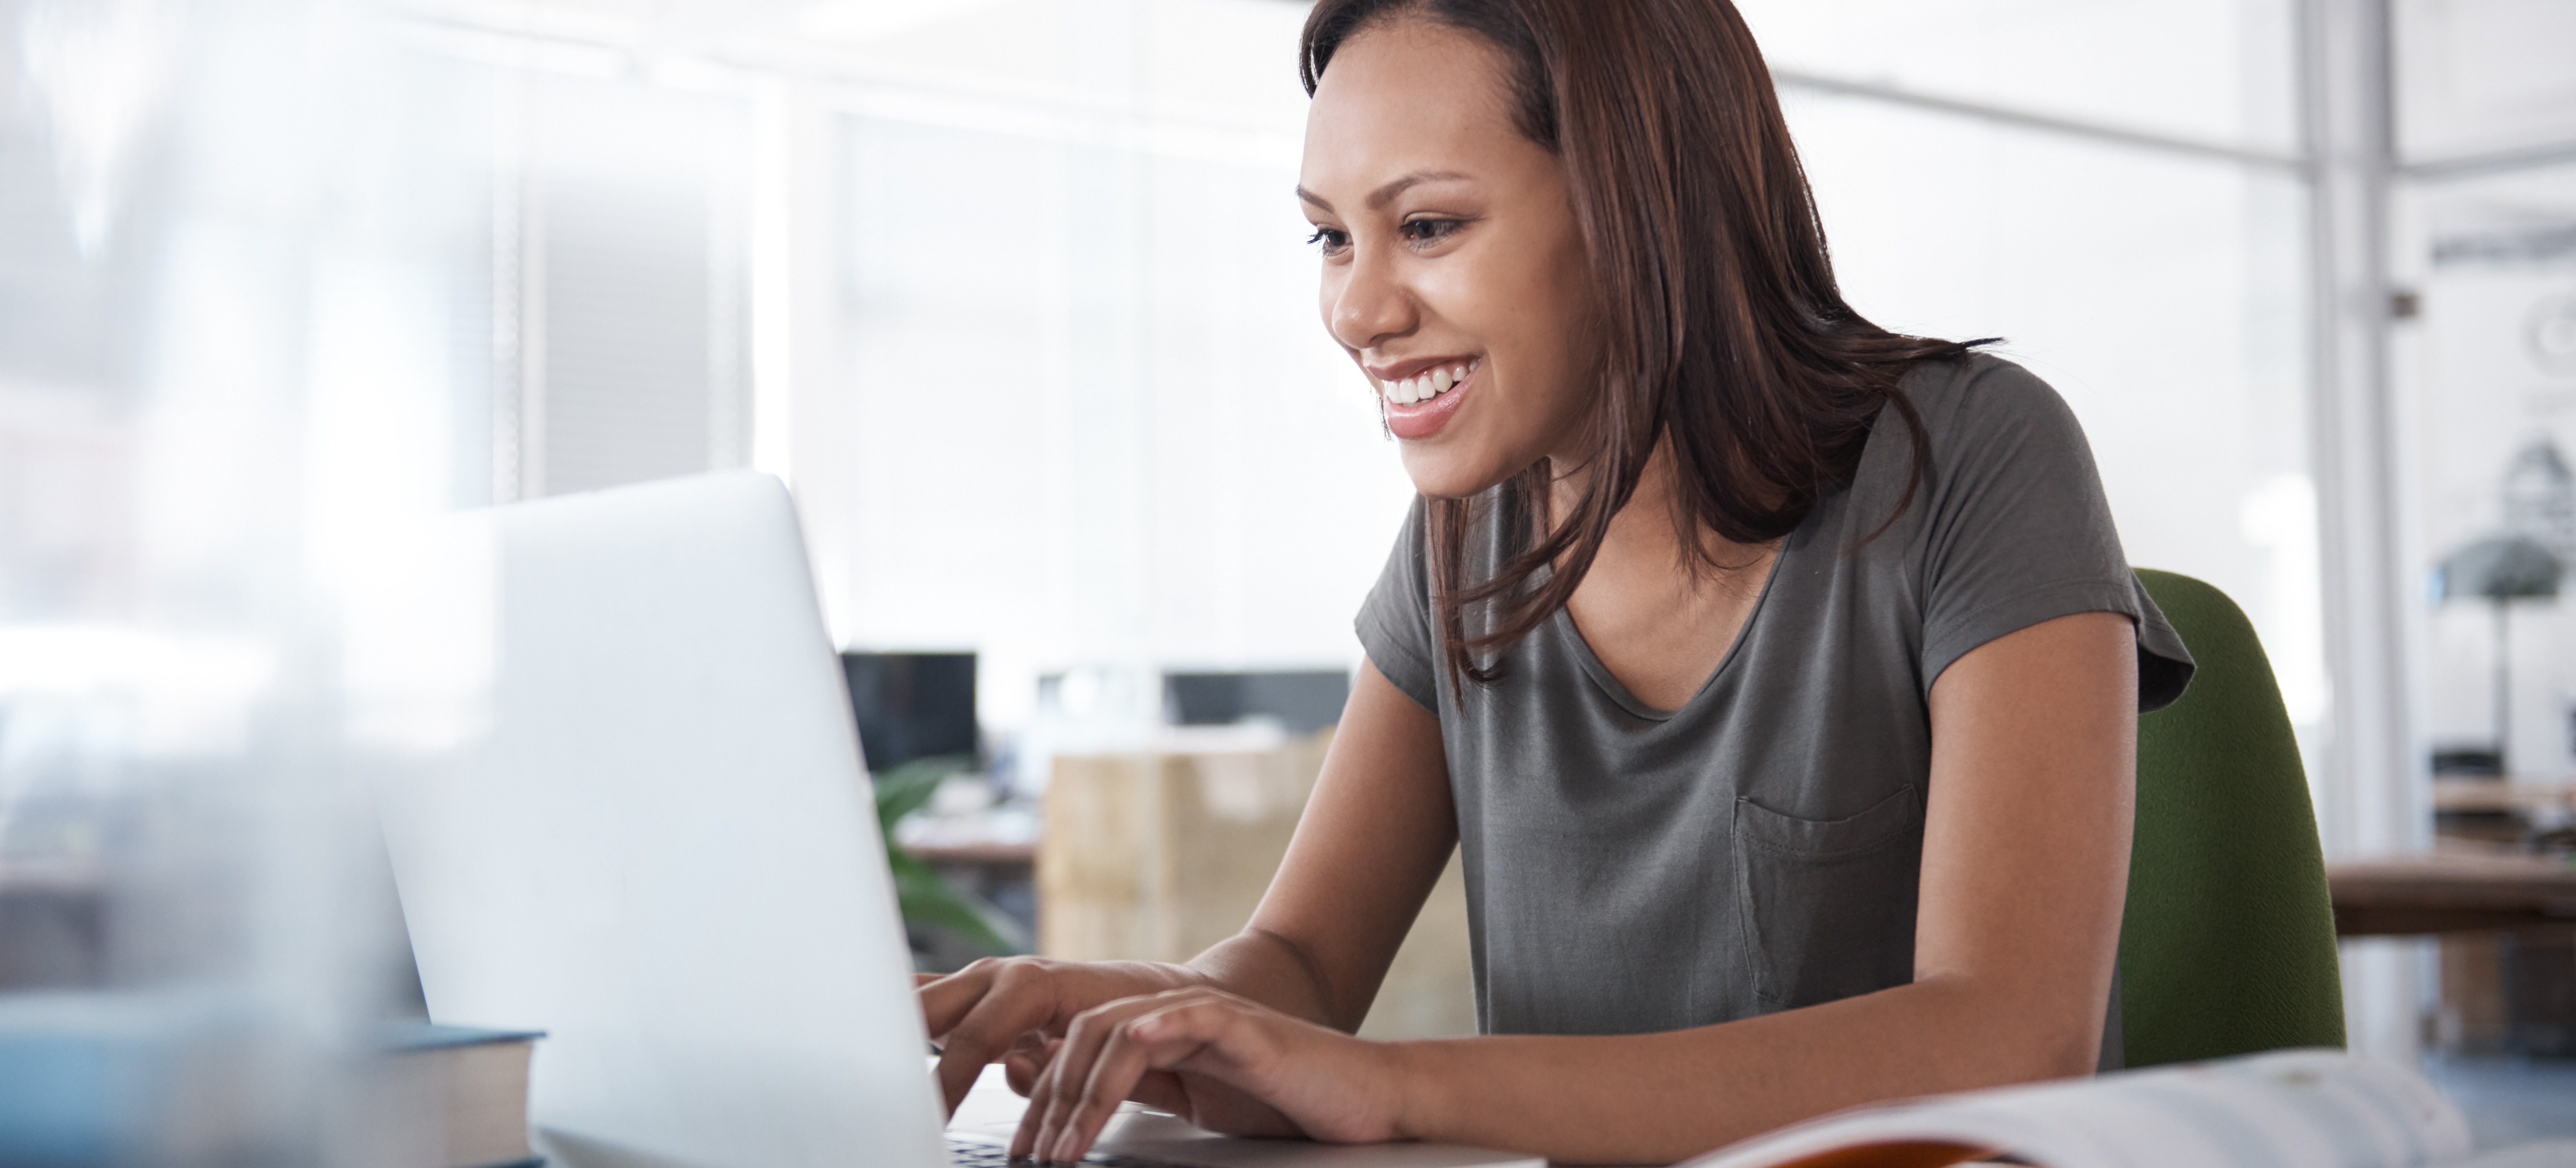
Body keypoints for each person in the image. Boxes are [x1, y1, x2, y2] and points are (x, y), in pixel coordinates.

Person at [918, 1, 2195, 1163]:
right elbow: (1304, 963)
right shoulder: (1461, 538)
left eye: (1427, 226)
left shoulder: (1972, 456)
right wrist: (1143, 1013)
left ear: (1640, 207)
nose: (1357, 310)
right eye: (1328, 236)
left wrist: (1401, 1086)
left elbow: (2008, 1043)